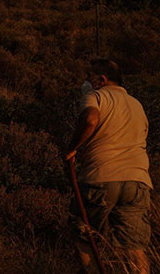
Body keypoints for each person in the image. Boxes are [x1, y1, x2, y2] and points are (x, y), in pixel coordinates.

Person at [65, 59, 152, 274]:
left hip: (100, 178)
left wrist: (72, 148)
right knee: (133, 247)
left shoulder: (96, 95)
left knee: (83, 236)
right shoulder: (137, 105)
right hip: (137, 182)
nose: (88, 82)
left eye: (90, 77)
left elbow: (91, 120)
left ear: (102, 79)